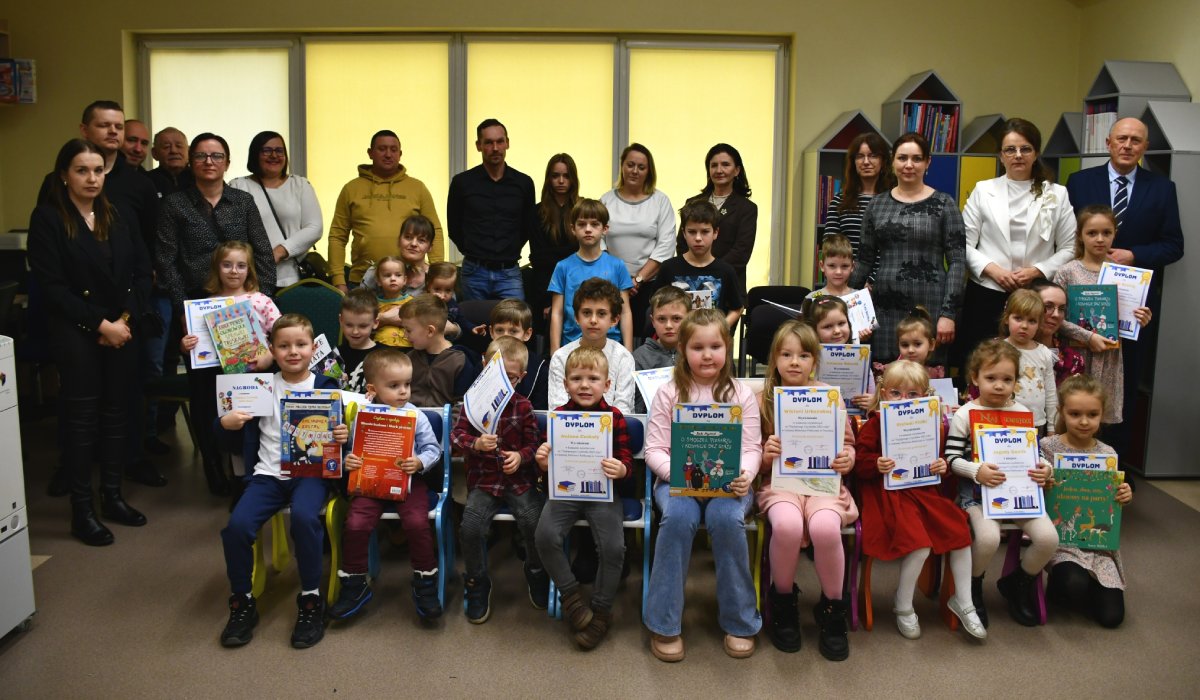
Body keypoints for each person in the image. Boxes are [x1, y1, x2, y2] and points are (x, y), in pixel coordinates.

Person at [28, 138, 152, 545]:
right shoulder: (48, 218)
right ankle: (82, 511)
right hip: (76, 330)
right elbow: (51, 287)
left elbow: (141, 272)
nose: (92, 178)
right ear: (64, 175)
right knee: (82, 422)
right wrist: (101, 324)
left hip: (121, 327)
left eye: (98, 170)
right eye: (82, 170)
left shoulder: (117, 214)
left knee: (117, 414)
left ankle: (112, 497)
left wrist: (124, 321)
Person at [217, 314, 348, 649]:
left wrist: (342, 436)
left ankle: (310, 599)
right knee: (237, 527)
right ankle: (242, 600)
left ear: (313, 348)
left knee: (304, 518)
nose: (293, 351)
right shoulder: (258, 386)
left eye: (301, 344)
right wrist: (227, 422)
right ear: (272, 350)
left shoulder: (327, 386)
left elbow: (343, 440)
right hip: (268, 475)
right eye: (284, 346)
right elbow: (228, 430)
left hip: (310, 474)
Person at [644, 310, 763, 662]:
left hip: (729, 485)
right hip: (677, 483)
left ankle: (740, 621)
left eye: (715, 346)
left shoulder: (741, 393)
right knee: (678, 519)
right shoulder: (669, 393)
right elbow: (654, 449)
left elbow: (752, 448)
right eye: (698, 347)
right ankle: (664, 623)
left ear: (727, 348)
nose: (707, 355)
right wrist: (678, 476)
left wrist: (746, 475)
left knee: (727, 519)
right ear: (683, 349)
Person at [1066, 117, 1182, 469]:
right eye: (1122, 138)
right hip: (1083, 299)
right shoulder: (1079, 182)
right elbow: (1065, 237)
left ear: (1145, 147)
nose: (1128, 145)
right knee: (1076, 380)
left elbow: (1174, 245)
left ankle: (1115, 467)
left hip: (1131, 308)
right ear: (1108, 142)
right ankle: (1070, 460)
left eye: (1135, 140)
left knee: (1123, 386)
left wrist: (1135, 254)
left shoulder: (1162, 188)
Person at [853, 360, 986, 641]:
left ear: (925, 396)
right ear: (884, 393)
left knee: (959, 532)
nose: (903, 400)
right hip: (886, 495)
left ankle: (964, 601)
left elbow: (940, 466)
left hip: (923, 493)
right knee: (919, 544)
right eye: (896, 393)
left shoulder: (930, 425)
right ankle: (902, 604)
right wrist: (875, 463)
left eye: (912, 394)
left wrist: (941, 466)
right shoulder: (875, 423)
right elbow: (860, 464)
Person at [756, 321, 857, 659]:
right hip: (780, 484)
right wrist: (765, 455)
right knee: (786, 525)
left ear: (815, 360)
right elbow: (750, 455)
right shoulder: (763, 400)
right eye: (786, 354)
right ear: (774, 359)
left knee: (826, 528)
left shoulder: (830, 397)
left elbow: (847, 444)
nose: (794, 362)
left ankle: (833, 608)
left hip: (823, 484)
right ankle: (783, 601)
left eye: (803, 355)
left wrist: (847, 458)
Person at [946, 339, 1057, 627]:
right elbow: (951, 459)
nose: (999, 386)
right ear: (975, 378)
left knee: (1048, 539)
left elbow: (1034, 454)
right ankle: (972, 587)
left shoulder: (1021, 413)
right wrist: (976, 471)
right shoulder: (964, 414)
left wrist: (1045, 469)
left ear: (1015, 382)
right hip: (977, 494)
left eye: (1007, 380)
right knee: (988, 538)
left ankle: (1018, 583)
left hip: (1020, 493)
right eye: (991, 378)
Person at [956, 118, 1076, 379]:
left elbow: (1069, 247)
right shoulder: (983, 190)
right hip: (988, 291)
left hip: (1035, 295)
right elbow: (962, 243)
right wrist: (993, 270)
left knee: (1030, 370)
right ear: (1001, 155)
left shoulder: (1056, 194)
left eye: (1025, 149)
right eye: (1010, 149)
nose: (1018, 155)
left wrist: (1037, 271)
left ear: (1036, 153)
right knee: (982, 365)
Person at [330, 349, 444, 621]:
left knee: (416, 523)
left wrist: (419, 462)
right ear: (372, 389)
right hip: (371, 482)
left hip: (408, 481)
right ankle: (355, 583)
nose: (403, 391)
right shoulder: (362, 415)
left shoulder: (415, 415)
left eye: (407, 384)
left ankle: (425, 581)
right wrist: (349, 460)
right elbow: (353, 450)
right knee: (355, 523)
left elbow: (433, 449)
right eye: (394, 386)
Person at [534, 346, 634, 649]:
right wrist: (543, 463)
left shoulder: (614, 417)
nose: (585, 385)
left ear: (607, 384)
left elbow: (627, 461)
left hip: (603, 493)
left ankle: (602, 611)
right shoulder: (557, 418)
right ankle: (572, 599)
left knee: (614, 548)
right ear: (566, 384)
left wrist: (622, 469)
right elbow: (546, 467)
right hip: (565, 491)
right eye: (577, 379)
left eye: (593, 379)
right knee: (545, 535)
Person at [450, 335, 547, 623]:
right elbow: (456, 437)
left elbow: (534, 445)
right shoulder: (471, 404)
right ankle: (477, 580)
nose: (504, 384)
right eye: (498, 376)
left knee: (533, 521)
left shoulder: (523, 406)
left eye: (512, 378)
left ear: (522, 377)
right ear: (484, 367)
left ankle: (536, 571)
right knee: (470, 528)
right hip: (484, 481)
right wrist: (475, 444)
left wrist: (521, 457)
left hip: (519, 481)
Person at [849, 133, 966, 367]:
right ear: (893, 161)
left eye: (917, 158)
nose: (909, 165)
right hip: (884, 309)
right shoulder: (876, 205)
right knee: (886, 378)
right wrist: (846, 305)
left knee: (925, 378)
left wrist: (948, 314)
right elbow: (864, 260)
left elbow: (957, 262)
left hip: (930, 307)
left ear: (928, 162)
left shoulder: (945, 204)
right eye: (902, 158)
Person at [178, 241, 281, 493]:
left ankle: (258, 478)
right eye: (227, 265)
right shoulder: (205, 306)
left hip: (257, 376)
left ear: (249, 269)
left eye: (241, 265)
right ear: (217, 268)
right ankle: (238, 481)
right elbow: (197, 346)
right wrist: (186, 345)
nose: (234, 271)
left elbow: (282, 335)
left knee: (254, 428)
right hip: (220, 379)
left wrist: (269, 355)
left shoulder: (261, 300)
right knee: (232, 428)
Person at [1052, 206, 1153, 442]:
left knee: (1102, 422)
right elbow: (1055, 319)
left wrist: (1140, 319)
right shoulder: (1067, 272)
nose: (1100, 239)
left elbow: (1127, 319)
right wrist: (1088, 337)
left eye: (1106, 233)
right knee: (1070, 415)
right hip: (1076, 357)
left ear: (1115, 234)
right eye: (1092, 233)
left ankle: (1099, 463)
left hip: (1109, 358)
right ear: (1080, 235)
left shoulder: (1127, 275)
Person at [1041, 374, 1132, 628]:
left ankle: (1092, 584)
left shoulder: (1107, 454)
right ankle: (1064, 584)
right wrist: (1042, 484)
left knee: (1112, 618)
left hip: (1099, 545)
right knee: (1073, 584)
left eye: (1092, 414)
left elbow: (1110, 498)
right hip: (1062, 541)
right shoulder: (1046, 447)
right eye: (1075, 414)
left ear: (1102, 414)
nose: (1084, 421)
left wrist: (1124, 495)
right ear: (1061, 411)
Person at [155, 132, 277, 304]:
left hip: (243, 299)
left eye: (217, 156)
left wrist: (261, 299)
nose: (208, 161)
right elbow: (166, 261)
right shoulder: (174, 204)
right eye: (200, 156)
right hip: (194, 299)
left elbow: (263, 253)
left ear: (227, 164)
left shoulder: (243, 202)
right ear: (191, 162)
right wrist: (182, 308)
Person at [327, 130, 445, 291]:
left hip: (407, 280)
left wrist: (436, 274)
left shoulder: (417, 188)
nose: (388, 154)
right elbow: (337, 236)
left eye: (393, 150)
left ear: (400, 154)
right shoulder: (351, 189)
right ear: (370, 153)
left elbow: (434, 231)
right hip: (363, 280)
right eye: (382, 149)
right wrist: (338, 280)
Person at [446, 119, 537, 300]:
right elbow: (454, 227)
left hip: (509, 272)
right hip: (474, 271)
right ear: (478, 145)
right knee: (473, 319)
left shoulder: (524, 183)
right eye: (488, 142)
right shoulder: (462, 183)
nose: (495, 148)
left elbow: (528, 226)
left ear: (507, 143)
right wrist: (473, 251)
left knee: (515, 317)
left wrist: (508, 249)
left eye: (500, 141)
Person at [230, 131, 323, 289]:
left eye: (279, 151)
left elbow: (315, 227)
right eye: (267, 151)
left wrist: (280, 251)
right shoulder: (239, 186)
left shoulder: (300, 185)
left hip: (294, 279)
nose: (274, 156)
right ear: (255, 154)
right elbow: (233, 233)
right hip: (251, 279)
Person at [601, 143, 676, 329]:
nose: (635, 171)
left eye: (641, 167)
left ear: (649, 171)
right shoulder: (606, 200)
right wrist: (618, 280)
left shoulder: (661, 201)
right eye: (630, 165)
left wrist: (637, 280)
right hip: (611, 284)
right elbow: (598, 242)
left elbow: (666, 245)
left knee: (646, 334)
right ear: (622, 166)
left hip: (650, 285)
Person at [548, 198, 634, 353]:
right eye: (582, 224)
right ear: (573, 229)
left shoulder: (617, 266)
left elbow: (625, 311)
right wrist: (555, 353)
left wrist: (628, 352)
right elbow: (557, 313)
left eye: (594, 224)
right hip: (572, 346)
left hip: (610, 346)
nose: (588, 229)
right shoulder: (563, 267)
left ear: (605, 229)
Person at [548, 278, 636, 415]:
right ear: (576, 317)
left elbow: (623, 410)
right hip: (568, 427)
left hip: (613, 426)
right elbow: (557, 409)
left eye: (601, 314)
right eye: (587, 313)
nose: (593, 320)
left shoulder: (623, 357)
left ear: (614, 320)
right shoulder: (560, 357)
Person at [657, 200, 745, 330]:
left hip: (711, 338)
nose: (698, 238)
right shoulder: (668, 268)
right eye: (692, 232)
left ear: (715, 233)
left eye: (705, 232)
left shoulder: (726, 270)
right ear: (684, 233)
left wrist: (719, 329)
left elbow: (737, 308)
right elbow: (656, 305)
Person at [683, 143, 758, 293]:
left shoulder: (746, 208)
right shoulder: (692, 203)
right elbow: (682, 243)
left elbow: (741, 252)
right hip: (692, 282)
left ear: (737, 170)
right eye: (714, 165)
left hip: (729, 284)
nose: (719, 170)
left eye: (725, 165)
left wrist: (710, 272)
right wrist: (696, 271)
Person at [823, 132, 894, 264]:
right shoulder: (839, 201)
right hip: (848, 274)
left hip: (886, 274)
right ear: (853, 162)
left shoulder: (895, 201)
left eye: (873, 156)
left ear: (883, 161)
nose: (866, 162)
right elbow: (830, 248)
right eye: (860, 156)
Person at [529, 154, 581, 335]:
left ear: (573, 179)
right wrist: (547, 301)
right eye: (555, 176)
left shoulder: (581, 209)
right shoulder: (537, 212)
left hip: (578, 283)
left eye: (566, 176)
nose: (561, 181)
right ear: (548, 179)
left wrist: (556, 255)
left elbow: (585, 254)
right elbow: (538, 259)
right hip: (545, 286)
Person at [400, 294, 481, 407]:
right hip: (411, 416)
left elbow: (462, 405)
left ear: (430, 331)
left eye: (408, 330)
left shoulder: (459, 362)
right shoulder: (409, 358)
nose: (404, 335)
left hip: (444, 417)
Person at [999, 289, 1057, 434]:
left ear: (1039, 324)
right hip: (1003, 420)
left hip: (1036, 423)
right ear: (1006, 318)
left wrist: (1052, 427)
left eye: (1032, 321)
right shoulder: (997, 350)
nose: (1024, 326)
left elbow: (1051, 392)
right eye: (1018, 318)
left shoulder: (1044, 353)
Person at [802, 234, 872, 343]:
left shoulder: (860, 298)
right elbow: (804, 333)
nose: (838, 272)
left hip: (852, 352)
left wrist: (864, 336)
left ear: (852, 267)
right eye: (832, 266)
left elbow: (866, 331)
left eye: (844, 266)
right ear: (822, 266)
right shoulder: (811, 298)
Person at [632, 285, 689, 414]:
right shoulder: (639, 357)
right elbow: (636, 406)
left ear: (689, 318)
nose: (668, 326)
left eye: (676, 318)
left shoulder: (696, 354)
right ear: (652, 321)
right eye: (662, 319)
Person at [483, 299, 548, 410]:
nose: (506, 336)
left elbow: (540, 412)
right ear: (491, 332)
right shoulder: (483, 364)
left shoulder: (540, 369)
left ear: (527, 334)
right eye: (499, 330)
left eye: (513, 331)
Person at [1029, 279, 1085, 386]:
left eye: (1062, 309)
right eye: (1048, 306)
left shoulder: (1073, 360)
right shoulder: (1002, 349)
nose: (1056, 314)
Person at [338, 289, 381, 394]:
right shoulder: (335, 355)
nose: (355, 332)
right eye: (349, 325)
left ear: (375, 323)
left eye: (363, 326)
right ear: (341, 321)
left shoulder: (385, 356)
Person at [371, 256, 412, 348]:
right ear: (379, 281)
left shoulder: (412, 302)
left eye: (398, 275)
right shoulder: (373, 304)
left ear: (404, 280)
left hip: (408, 346)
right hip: (382, 346)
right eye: (387, 275)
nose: (393, 278)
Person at [147, 126, 193, 198]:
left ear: (189, 151)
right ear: (154, 153)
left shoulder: (200, 179)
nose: (173, 151)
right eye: (166, 147)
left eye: (179, 146)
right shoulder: (146, 181)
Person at [424, 262, 464, 340]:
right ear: (428, 286)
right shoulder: (422, 301)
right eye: (437, 289)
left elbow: (462, 322)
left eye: (448, 290)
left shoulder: (453, 305)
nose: (442, 295)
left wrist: (472, 328)